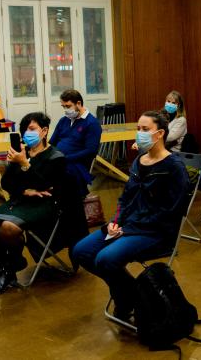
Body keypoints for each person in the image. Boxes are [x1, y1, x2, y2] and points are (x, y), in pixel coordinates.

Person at [72, 111, 190, 321]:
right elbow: (125, 199)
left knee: (105, 259)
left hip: (154, 232)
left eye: (145, 129)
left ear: (160, 133)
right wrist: (115, 222)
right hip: (126, 225)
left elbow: (170, 211)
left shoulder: (174, 167)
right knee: (81, 251)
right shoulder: (138, 161)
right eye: (138, 129)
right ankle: (133, 294)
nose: (139, 133)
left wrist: (128, 228)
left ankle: (126, 299)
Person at [0, 112, 67, 296]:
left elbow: (45, 185)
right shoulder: (22, 153)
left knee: (8, 227)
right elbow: (6, 184)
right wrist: (24, 189)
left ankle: (9, 273)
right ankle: (6, 266)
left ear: (44, 131)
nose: (27, 133)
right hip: (20, 200)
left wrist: (25, 166)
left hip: (45, 204)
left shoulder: (56, 157)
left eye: (32, 129)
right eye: (24, 129)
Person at [49, 89, 102, 200]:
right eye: (63, 107)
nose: (66, 110)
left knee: (62, 176)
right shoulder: (64, 120)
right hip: (60, 160)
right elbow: (52, 142)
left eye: (68, 106)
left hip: (77, 163)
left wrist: (65, 158)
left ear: (78, 103)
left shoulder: (91, 123)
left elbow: (91, 150)